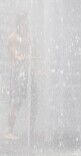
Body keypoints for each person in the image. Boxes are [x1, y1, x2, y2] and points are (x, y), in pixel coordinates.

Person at [4, 12, 30, 140]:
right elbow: (15, 54)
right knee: (14, 101)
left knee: (19, 101)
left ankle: (13, 128)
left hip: (23, 73)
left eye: (26, 23)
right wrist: (24, 58)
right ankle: (9, 130)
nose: (25, 26)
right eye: (23, 23)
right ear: (18, 24)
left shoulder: (25, 37)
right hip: (16, 73)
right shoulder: (13, 37)